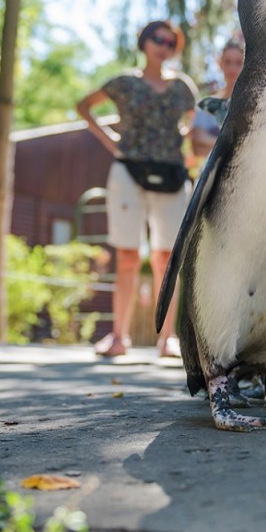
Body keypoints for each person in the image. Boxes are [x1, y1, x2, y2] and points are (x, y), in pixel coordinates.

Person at [76, 20, 196, 358]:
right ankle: (118, 337)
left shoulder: (182, 88)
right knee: (128, 256)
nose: (163, 46)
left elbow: (194, 122)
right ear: (144, 42)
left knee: (165, 258)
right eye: (158, 39)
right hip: (128, 171)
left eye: (170, 43)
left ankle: (167, 337)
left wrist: (187, 138)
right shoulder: (125, 83)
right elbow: (84, 106)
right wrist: (112, 142)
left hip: (171, 175)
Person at [189, 39, 244, 158]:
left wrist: (208, 139)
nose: (232, 69)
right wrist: (237, 144)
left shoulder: (255, 106)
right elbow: (197, 149)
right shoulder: (205, 105)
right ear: (220, 63)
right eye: (227, 62)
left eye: (239, 63)